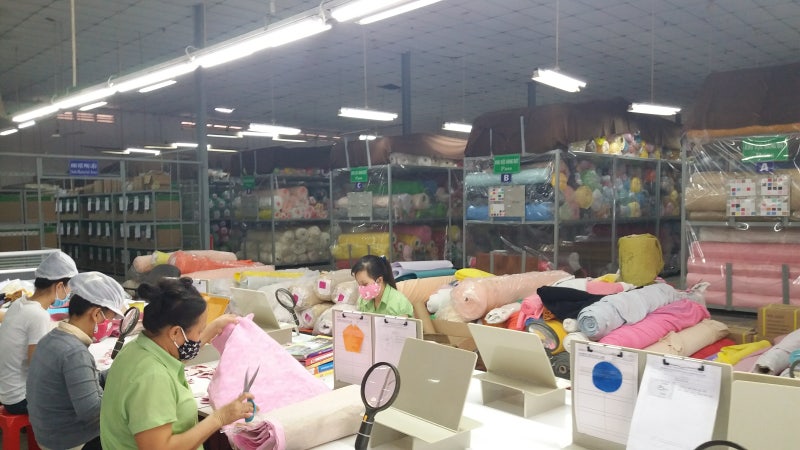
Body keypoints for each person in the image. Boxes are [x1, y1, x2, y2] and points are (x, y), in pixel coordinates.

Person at [100, 277, 254, 450]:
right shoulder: (152, 378)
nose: (199, 336)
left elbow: (176, 353)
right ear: (175, 333)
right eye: (199, 331)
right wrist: (220, 418)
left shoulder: (138, 349)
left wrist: (213, 329)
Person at [27, 272, 128, 450]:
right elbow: (92, 412)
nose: (110, 324)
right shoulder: (74, 352)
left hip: (48, 434)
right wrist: (128, 396)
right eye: (110, 318)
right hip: (70, 442)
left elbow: (87, 381)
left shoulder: (52, 338)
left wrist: (120, 370)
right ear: (96, 314)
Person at [0, 251, 78, 414]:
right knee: (77, 400)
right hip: (19, 399)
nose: (69, 293)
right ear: (59, 286)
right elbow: (38, 367)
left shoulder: (19, 304)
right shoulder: (38, 315)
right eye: (69, 288)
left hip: (6, 391)